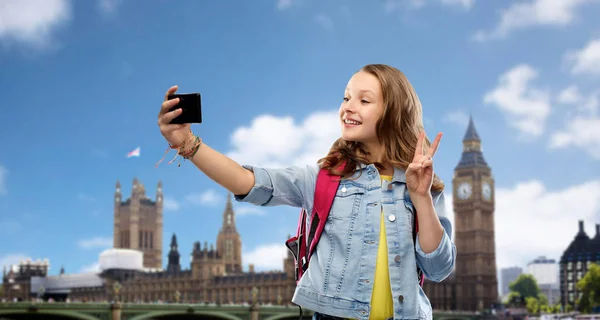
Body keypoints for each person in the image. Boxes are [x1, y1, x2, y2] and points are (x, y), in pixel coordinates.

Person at [157, 64, 456, 320]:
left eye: (364, 101)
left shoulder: (422, 186)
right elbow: (248, 181)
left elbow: (438, 267)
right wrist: (188, 144)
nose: (348, 106)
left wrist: (420, 197)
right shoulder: (324, 178)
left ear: (394, 112)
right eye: (346, 97)